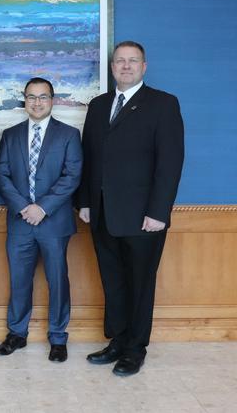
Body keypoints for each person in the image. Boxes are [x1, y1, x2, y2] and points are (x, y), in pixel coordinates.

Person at [77, 41, 184, 376]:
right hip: (103, 214)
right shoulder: (98, 105)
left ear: (144, 66)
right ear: (112, 67)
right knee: (114, 282)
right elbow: (88, 158)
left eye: (132, 61)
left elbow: (170, 163)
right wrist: (84, 202)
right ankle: (118, 341)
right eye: (119, 61)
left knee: (139, 283)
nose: (125, 66)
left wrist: (158, 212)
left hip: (143, 217)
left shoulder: (163, 104)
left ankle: (135, 350)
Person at [0, 77, 82, 362]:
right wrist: (23, 207)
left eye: (43, 97)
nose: (37, 102)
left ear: (52, 100)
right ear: (25, 101)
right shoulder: (10, 135)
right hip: (20, 222)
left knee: (58, 280)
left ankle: (58, 337)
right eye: (31, 97)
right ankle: (16, 334)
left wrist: (42, 208)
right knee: (19, 280)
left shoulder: (68, 135)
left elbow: (72, 176)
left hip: (54, 221)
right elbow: (2, 175)